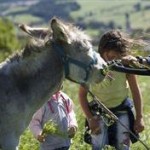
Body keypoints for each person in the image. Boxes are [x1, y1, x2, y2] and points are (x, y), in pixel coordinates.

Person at [79, 30, 145, 150]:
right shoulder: (92, 68)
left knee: (123, 146)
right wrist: (90, 118)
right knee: (98, 146)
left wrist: (139, 117)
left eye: (116, 56)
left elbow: (135, 91)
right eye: (109, 56)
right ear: (102, 51)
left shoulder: (126, 66)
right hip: (98, 113)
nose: (111, 60)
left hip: (122, 111)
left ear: (121, 54)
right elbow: (82, 95)